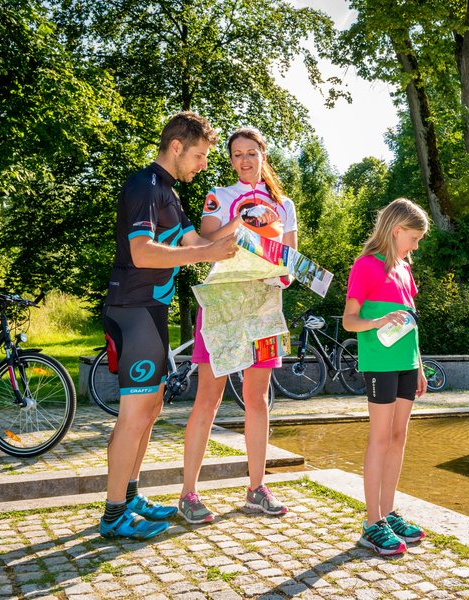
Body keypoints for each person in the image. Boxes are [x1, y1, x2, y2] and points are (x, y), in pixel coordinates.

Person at [99, 112, 239, 540]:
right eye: (198, 155)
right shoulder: (144, 185)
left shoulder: (170, 194)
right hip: (133, 307)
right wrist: (203, 256)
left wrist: (243, 226)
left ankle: (131, 493)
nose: (202, 164)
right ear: (175, 147)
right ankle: (113, 514)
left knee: (152, 408)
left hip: (151, 312)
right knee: (134, 413)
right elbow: (142, 253)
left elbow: (195, 242)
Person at [177, 127, 297, 523]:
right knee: (208, 399)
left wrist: (282, 274)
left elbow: (291, 263)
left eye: (251, 153)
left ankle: (256, 488)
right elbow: (204, 244)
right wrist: (242, 220)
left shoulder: (284, 204)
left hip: (263, 309)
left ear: (263, 154)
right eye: (236, 155)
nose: (244, 161)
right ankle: (189, 493)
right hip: (223, 307)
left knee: (257, 399)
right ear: (230, 161)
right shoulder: (219, 197)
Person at [342, 198, 429, 556]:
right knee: (379, 439)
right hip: (379, 363)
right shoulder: (366, 266)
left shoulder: (405, 270)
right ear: (396, 231)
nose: (416, 245)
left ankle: (389, 513)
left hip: (407, 364)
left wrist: (419, 365)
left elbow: (411, 323)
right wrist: (375, 323)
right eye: (414, 238)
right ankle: (371, 522)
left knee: (398, 437)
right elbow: (349, 320)